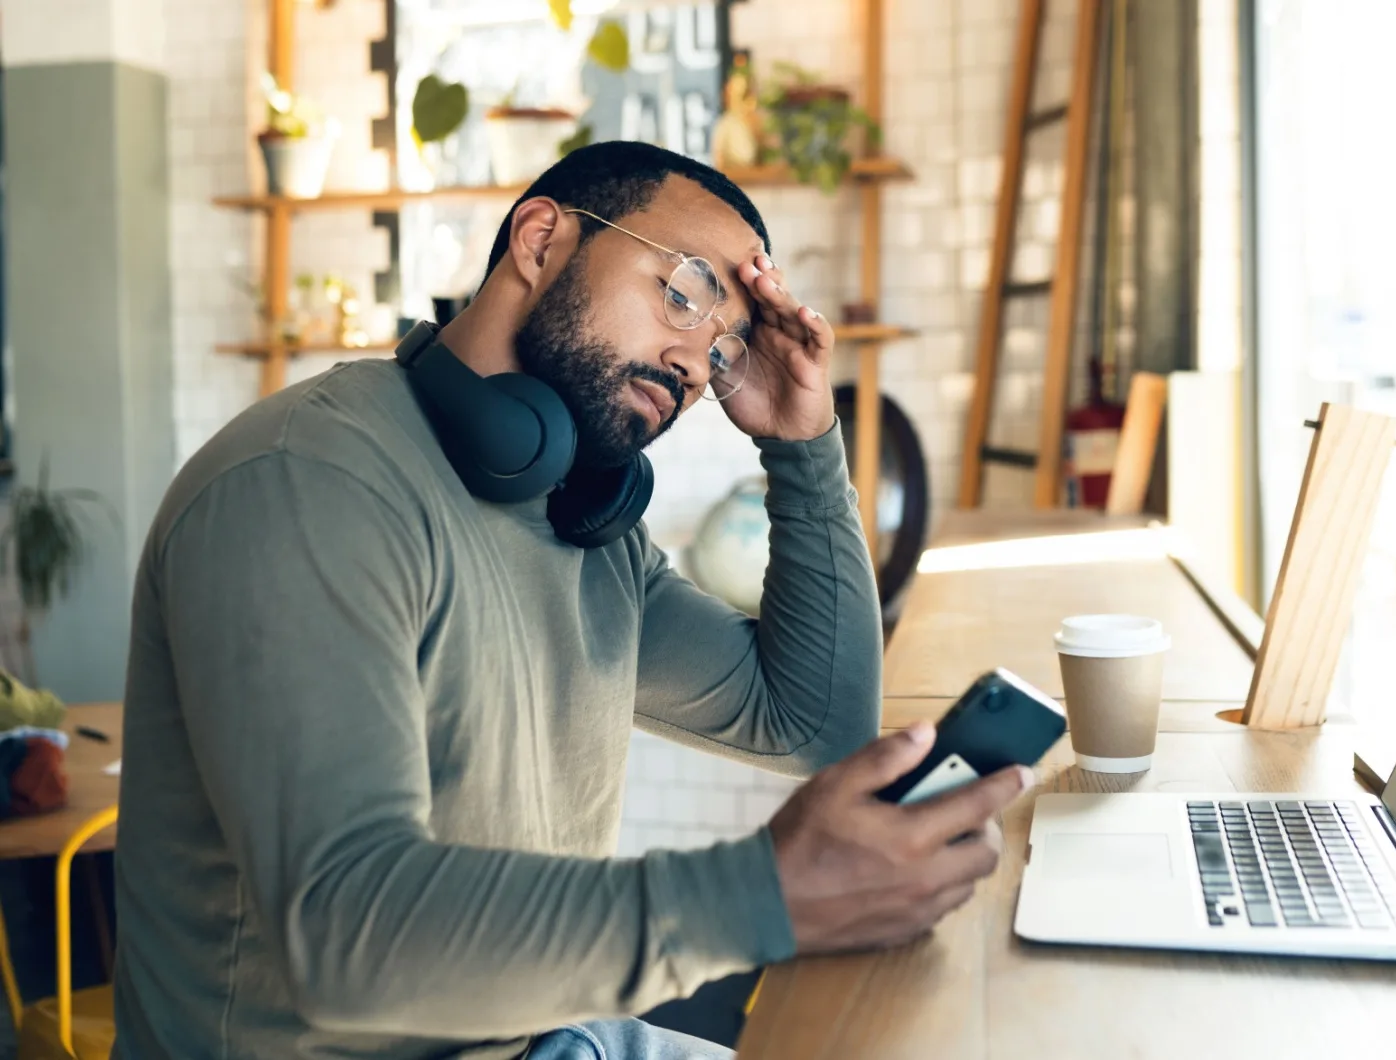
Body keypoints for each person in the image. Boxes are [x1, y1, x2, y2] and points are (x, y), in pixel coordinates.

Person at [112, 141, 1030, 1060]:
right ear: (541, 239)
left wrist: (804, 442)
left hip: (541, 1037)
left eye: (722, 347)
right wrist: (763, 895)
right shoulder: (307, 486)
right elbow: (347, 942)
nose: (693, 361)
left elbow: (813, 721)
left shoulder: (586, 527)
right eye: (683, 292)